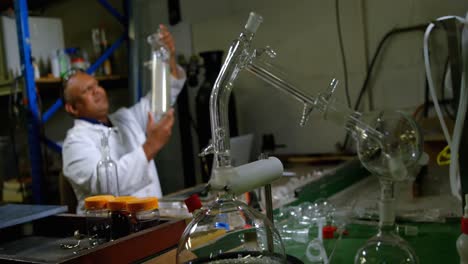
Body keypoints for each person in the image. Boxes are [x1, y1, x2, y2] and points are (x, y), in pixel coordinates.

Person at [62, 25, 186, 213]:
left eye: (96, 85)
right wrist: (151, 146)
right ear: (72, 108)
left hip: (152, 220)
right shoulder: (74, 143)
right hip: (112, 233)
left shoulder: (125, 118)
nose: (97, 91)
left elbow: (164, 96)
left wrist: (167, 58)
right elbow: (107, 188)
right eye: (87, 90)